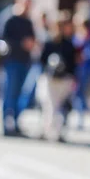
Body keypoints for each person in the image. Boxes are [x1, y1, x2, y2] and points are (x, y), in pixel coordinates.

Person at [36, 10, 76, 142]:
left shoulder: (55, 42)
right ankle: (51, 131)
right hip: (55, 79)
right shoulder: (64, 43)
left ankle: (50, 131)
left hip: (58, 79)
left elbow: (41, 60)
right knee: (54, 106)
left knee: (53, 106)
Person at [0, 0, 36, 136]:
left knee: (20, 93)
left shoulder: (28, 22)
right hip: (12, 61)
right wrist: (20, 44)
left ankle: (15, 122)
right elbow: (2, 40)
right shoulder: (10, 19)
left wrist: (31, 44)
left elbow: (33, 38)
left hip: (24, 61)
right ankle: (6, 124)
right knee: (9, 92)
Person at [72, 13, 90, 130]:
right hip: (78, 68)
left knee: (79, 92)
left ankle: (85, 116)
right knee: (78, 93)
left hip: (85, 68)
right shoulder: (79, 35)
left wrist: (82, 57)